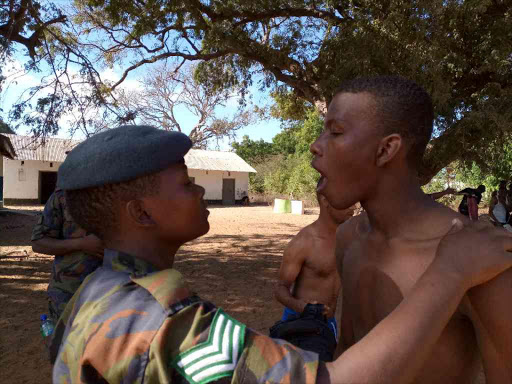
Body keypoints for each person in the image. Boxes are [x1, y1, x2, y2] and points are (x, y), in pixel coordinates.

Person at [49, 125, 512, 384]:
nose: (197, 193)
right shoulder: (164, 323)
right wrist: (450, 273)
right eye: (187, 184)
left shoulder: (93, 292)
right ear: (142, 213)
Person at [311, 75, 512, 384]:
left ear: (386, 150)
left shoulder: (483, 264)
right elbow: (347, 349)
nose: (315, 146)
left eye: (335, 132)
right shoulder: (348, 238)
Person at [272, 183, 354, 361]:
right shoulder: (304, 242)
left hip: (329, 324)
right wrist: (304, 308)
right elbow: (280, 288)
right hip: (299, 326)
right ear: (325, 200)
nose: (353, 206)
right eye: (347, 200)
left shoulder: (350, 238)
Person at [31, 188, 104, 322]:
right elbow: (38, 243)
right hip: (69, 292)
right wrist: (81, 244)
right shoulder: (63, 195)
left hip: (113, 291)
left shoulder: (122, 192)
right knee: (64, 340)